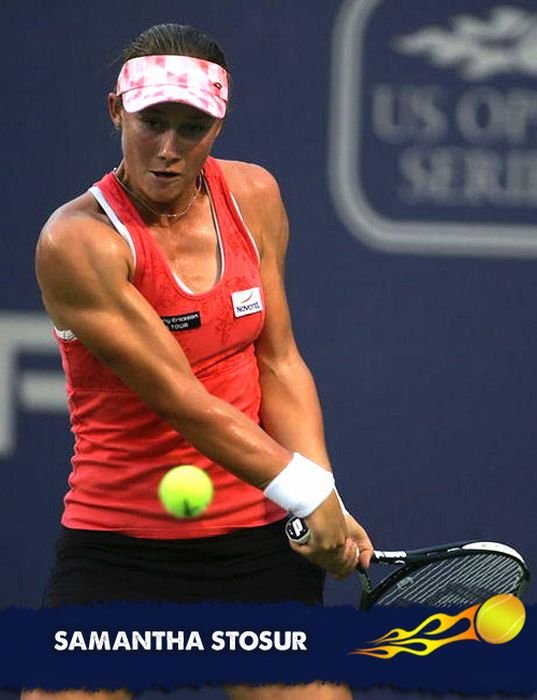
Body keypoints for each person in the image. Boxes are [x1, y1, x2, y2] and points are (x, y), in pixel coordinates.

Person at [23, 23, 373, 700]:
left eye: (193, 127)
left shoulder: (254, 196)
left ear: (219, 124)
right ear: (115, 111)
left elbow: (278, 361)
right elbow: (182, 398)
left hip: (252, 539)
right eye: (152, 122)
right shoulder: (78, 242)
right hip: (117, 543)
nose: (168, 148)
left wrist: (318, 495)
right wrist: (306, 492)